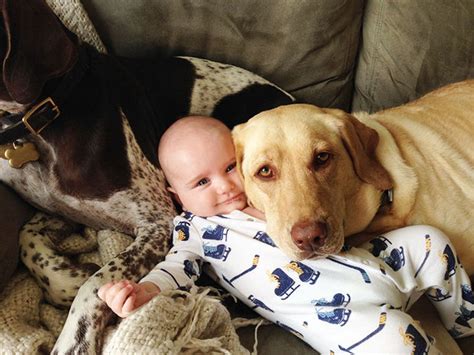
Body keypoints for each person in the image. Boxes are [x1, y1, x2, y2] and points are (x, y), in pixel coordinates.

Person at [98, 116, 474, 354]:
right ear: (176, 197)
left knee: (431, 240)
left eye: (231, 167)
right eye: (201, 181)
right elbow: (176, 268)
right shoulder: (195, 232)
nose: (226, 187)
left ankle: (466, 321)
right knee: (399, 340)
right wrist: (145, 290)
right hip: (341, 317)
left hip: (373, 265)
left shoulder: (264, 200)